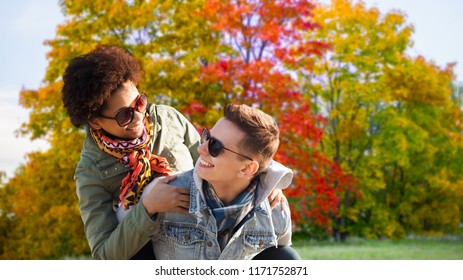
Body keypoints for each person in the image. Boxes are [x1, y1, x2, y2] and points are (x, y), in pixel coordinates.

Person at [62, 45, 288, 260]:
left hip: (209, 231)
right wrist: (148, 208)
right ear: (95, 121)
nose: (139, 117)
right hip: (157, 254)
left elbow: (219, 157)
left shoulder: (168, 119)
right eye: (124, 115)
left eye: (139, 102)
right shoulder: (91, 171)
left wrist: (266, 181)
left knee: (285, 257)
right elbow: (104, 254)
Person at [118, 104, 301, 260]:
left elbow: (278, 256)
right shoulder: (164, 194)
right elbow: (119, 250)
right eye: (207, 137)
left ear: (247, 169)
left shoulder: (275, 210)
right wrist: (148, 208)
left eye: (215, 147)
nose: (201, 148)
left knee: (286, 258)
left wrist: (271, 183)